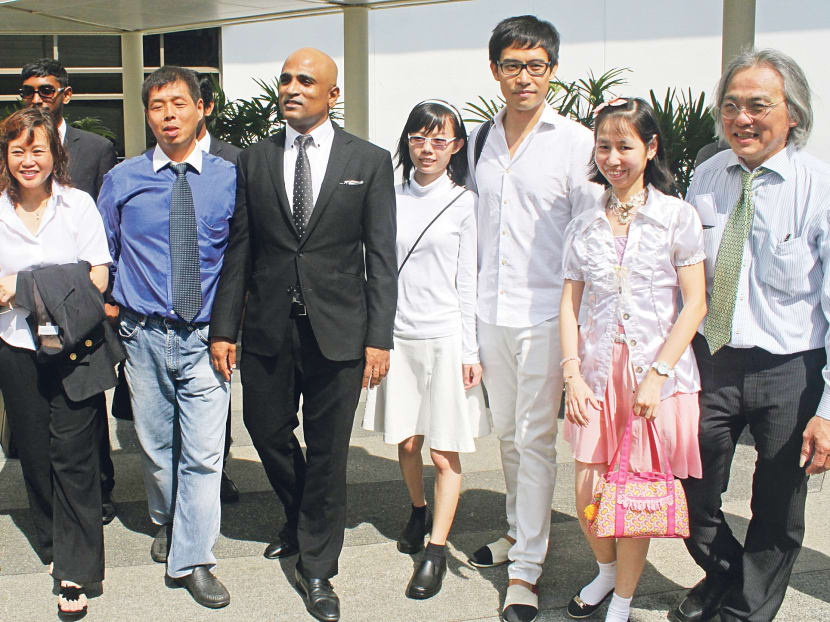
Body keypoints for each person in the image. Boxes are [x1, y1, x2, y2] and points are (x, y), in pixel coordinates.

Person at [209, 48, 397, 622]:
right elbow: (241, 246)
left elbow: (381, 257)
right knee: (263, 429)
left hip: (340, 331)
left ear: (332, 94)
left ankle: (317, 567)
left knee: (330, 450)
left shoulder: (368, 159)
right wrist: (224, 328)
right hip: (267, 327)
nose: (292, 87)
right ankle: (300, 514)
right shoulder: (254, 160)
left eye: (306, 80)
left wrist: (379, 337)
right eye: (286, 78)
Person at [670, 49, 830, 622]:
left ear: (793, 114)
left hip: (792, 367)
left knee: (777, 506)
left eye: (758, 105)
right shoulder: (707, 178)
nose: (742, 118)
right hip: (712, 359)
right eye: (731, 105)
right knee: (689, 486)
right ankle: (727, 574)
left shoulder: (819, 188)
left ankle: (745, 612)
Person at [465, 16, 594, 622]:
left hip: (548, 313)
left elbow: (591, 234)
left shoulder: (575, 143)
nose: (524, 77)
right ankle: (520, 531)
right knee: (509, 436)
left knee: (537, 442)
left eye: (536, 66)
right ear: (495, 71)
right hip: (492, 310)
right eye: (513, 65)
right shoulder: (476, 142)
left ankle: (526, 570)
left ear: (553, 72)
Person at [559, 97, 707, 622]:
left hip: (655, 377)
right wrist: (571, 374)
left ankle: (622, 599)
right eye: (604, 146)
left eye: (625, 145)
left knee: (636, 493)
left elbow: (695, 304)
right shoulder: (583, 224)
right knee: (587, 491)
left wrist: (658, 375)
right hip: (596, 374)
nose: (613, 157)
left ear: (650, 147)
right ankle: (603, 570)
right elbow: (569, 303)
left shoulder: (675, 216)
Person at [96, 66, 236, 609]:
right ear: (147, 114)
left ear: (201, 109)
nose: (168, 115)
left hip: (207, 339)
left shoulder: (228, 175)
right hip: (143, 335)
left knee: (203, 453)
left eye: (179, 104)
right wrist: (111, 308)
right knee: (157, 448)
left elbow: (242, 255)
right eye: (157, 107)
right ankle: (169, 520)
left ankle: (194, 557)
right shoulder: (123, 179)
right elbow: (103, 250)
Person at [362, 99, 489, 600]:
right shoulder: (387, 196)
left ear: (456, 147)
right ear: (407, 142)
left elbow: (467, 283)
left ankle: (436, 548)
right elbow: (373, 269)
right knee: (408, 441)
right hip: (398, 335)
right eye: (419, 137)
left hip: (445, 337)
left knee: (443, 450)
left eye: (440, 139)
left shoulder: (464, 202)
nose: (428, 148)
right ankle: (418, 509)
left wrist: (470, 350)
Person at [0, 107, 118, 618]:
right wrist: (56, 282)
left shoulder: (78, 205)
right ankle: (51, 539)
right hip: (16, 349)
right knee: (33, 450)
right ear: (5, 156)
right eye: (18, 150)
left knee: (75, 456)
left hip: (75, 350)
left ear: (56, 154)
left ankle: (76, 567)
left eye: (38, 149)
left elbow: (97, 277)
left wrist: (22, 289)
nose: (29, 160)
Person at [20, 57, 119, 524]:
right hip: (20, 313)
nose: (37, 98)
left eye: (46, 89)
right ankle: (49, 499)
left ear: (66, 94)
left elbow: (105, 232)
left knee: (84, 398)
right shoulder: (14, 148)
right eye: (29, 91)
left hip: (79, 301)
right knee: (37, 407)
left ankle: (99, 486)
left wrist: (103, 296)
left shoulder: (95, 148)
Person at [196, 73, 242, 504]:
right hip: (171, 306)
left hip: (221, 301)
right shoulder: (146, 162)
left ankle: (220, 468)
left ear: (205, 107)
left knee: (218, 394)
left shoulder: (236, 161)